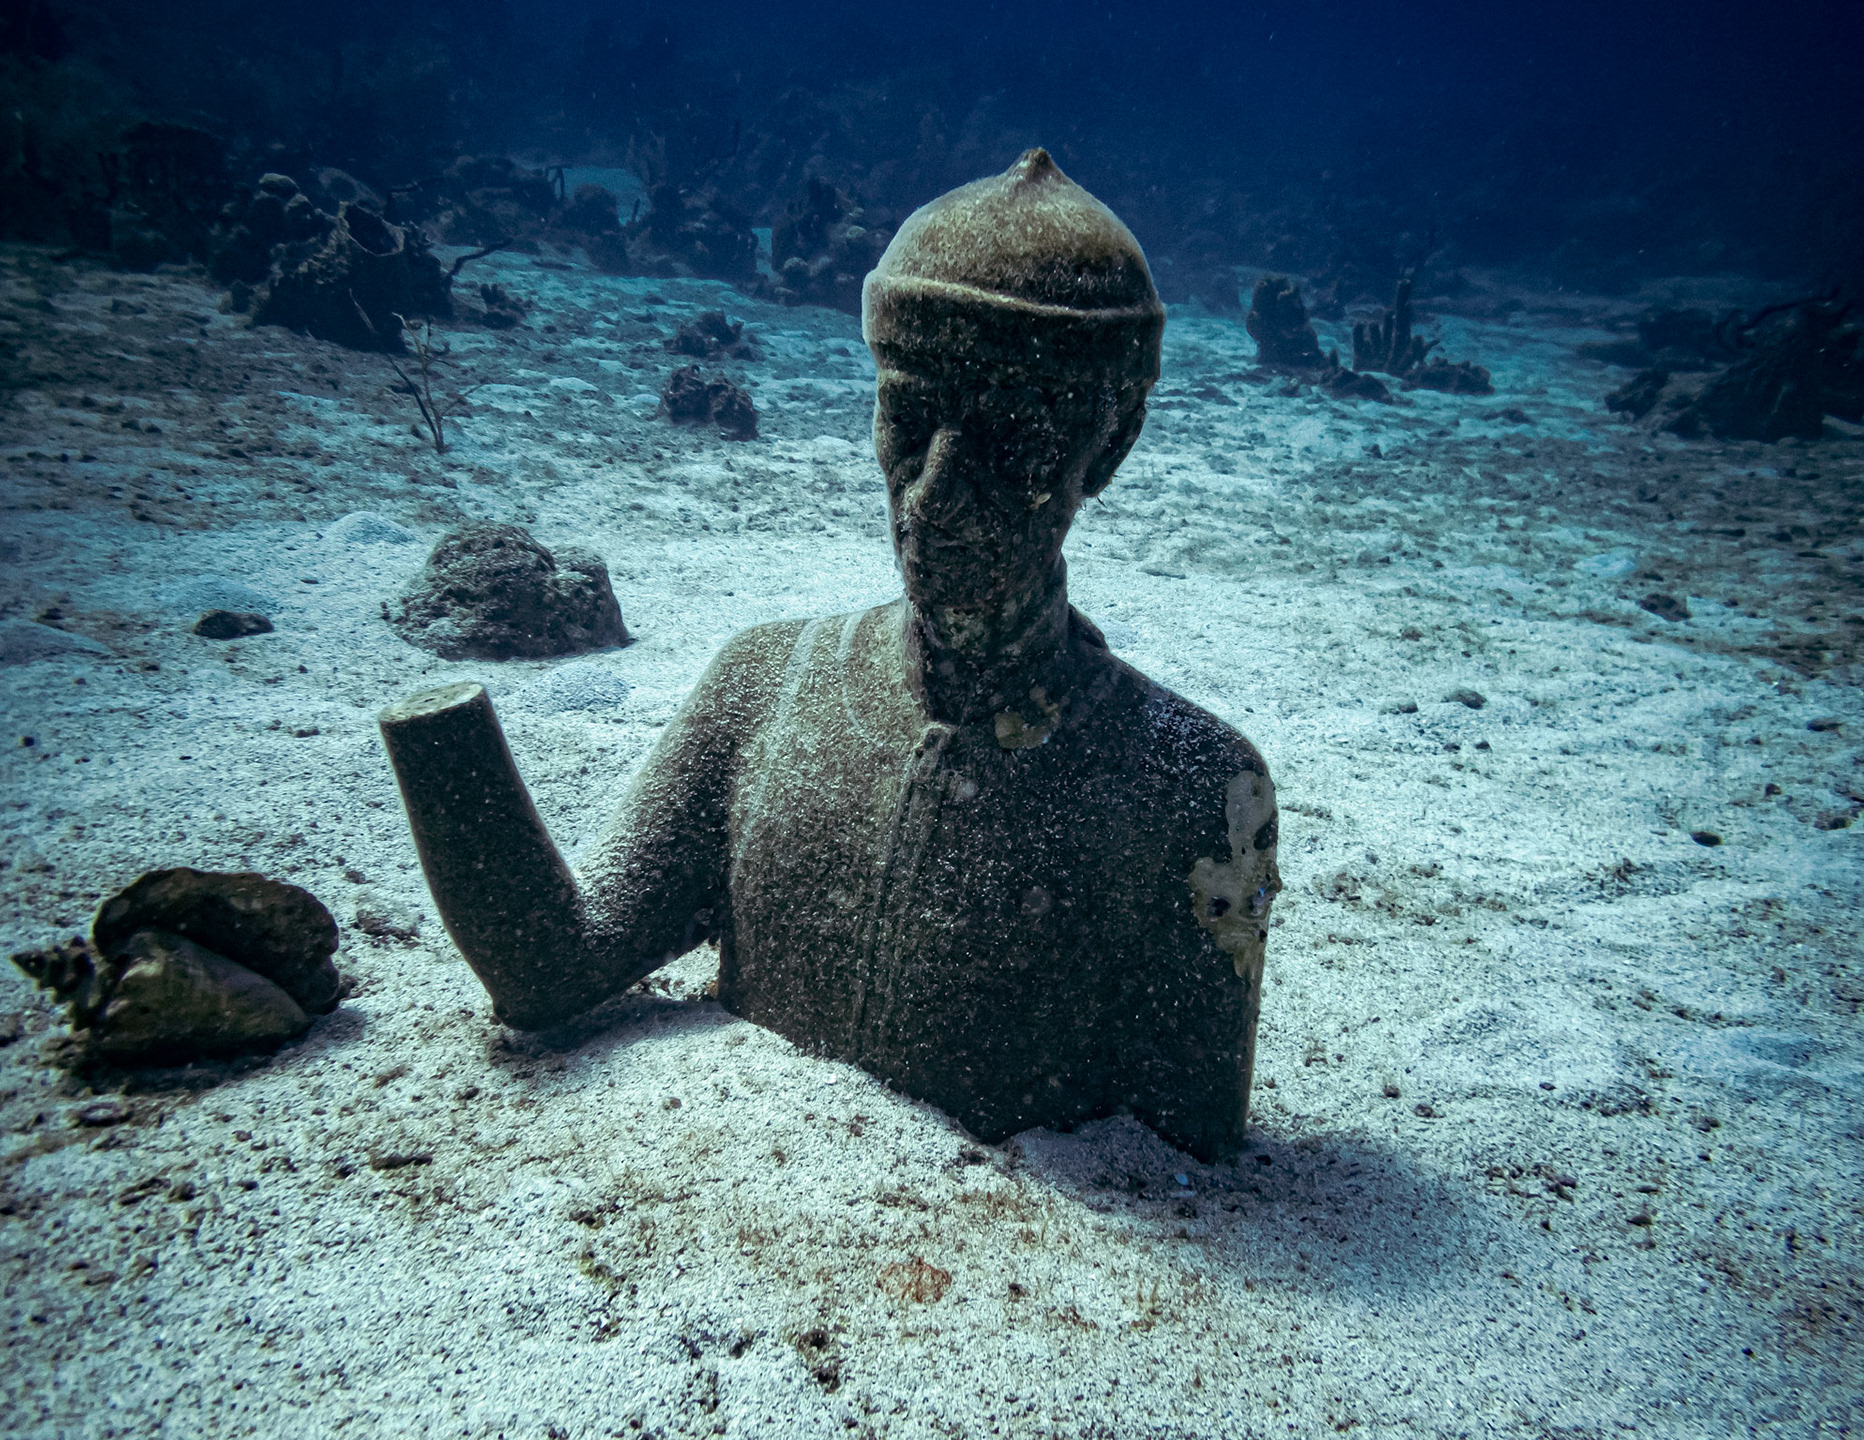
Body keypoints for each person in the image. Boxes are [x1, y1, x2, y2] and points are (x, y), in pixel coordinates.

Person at [380, 150, 1279, 1160]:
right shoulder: (762, 689)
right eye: (909, 416)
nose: (934, 493)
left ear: (1110, 443)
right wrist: (444, 743)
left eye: (1009, 434)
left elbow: (1193, 1142)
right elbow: (552, 967)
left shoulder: (1192, 788)